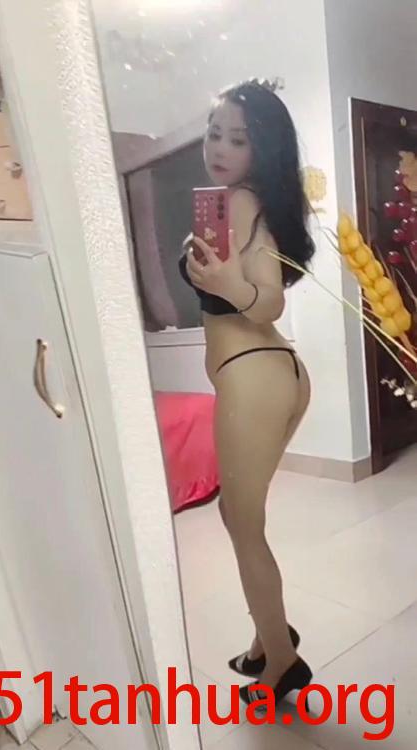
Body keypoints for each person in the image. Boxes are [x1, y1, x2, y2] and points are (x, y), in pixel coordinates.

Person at [178, 78, 315, 710]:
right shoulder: (248, 203)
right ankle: (267, 639)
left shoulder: (239, 200)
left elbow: (268, 301)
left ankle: (282, 663)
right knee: (239, 517)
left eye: (238, 138)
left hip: (252, 373)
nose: (220, 148)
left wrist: (226, 283)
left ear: (263, 147)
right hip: (275, 370)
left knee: (245, 527)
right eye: (214, 134)